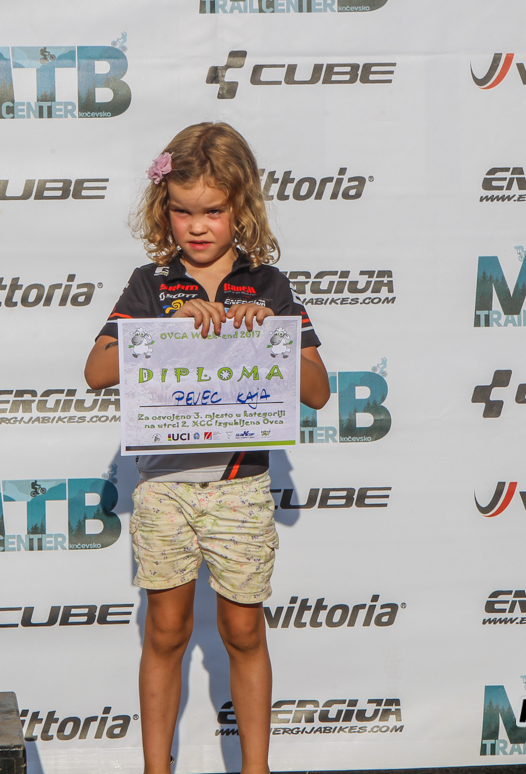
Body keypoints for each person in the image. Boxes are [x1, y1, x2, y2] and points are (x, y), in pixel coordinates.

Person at [84, 122, 330, 774]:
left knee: (243, 630)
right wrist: (163, 330)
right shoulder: (150, 285)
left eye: (213, 211)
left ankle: (256, 769)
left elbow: (318, 391)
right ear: (162, 207)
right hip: (163, 486)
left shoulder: (269, 286)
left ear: (241, 207)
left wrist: (270, 337)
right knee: (166, 630)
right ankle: (155, 769)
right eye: (182, 210)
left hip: (241, 486)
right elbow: (96, 371)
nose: (197, 226)